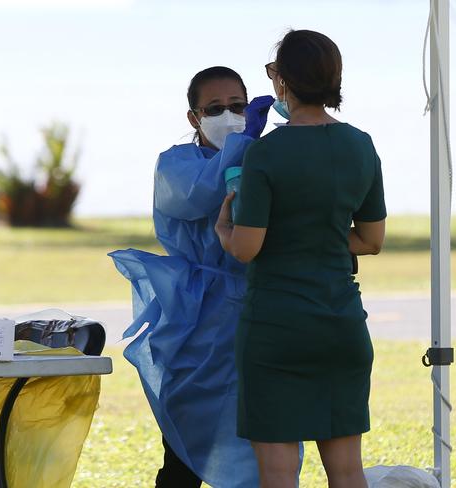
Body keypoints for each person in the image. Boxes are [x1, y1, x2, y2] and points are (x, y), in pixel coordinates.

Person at [216, 30, 387, 488]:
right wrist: (321, 236)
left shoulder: (266, 153)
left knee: (278, 472)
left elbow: (248, 247)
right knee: (348, 470)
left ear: (284, 83)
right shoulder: (361, 145)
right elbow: (371, 239)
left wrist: (224, 231)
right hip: (341, 323)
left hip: (277, 328)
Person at [109, 66, 274, 487]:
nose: (229, 115)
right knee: (185, 451)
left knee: (262, 447)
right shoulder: (176, 165)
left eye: (237, 106)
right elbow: (203, 192)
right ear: (193, 118)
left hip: (257, 311)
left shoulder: (261, 155)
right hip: (195, 318)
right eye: (214, 108)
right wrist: (243, 142)